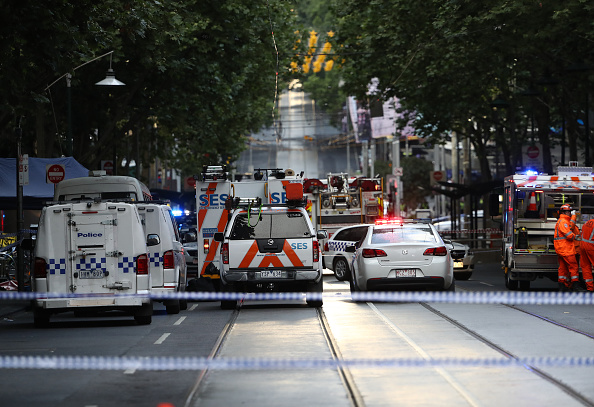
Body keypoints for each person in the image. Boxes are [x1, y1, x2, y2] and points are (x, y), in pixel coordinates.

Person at [554, 204, 584, 292]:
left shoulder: (563, 220)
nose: (570, 213)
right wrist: (577, 237)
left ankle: (563, 286)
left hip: (562, 248)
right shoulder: (563, 221)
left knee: (563, 268)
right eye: (569, 212)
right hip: (566, 249)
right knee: (573, 266)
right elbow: (569, 235)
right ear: (564, 212)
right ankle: (575, 285)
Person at [579, 217, 594, 292]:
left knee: (586, 267)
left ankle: (590, 288)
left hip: (583, 246)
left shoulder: (587, 222)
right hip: (592, 247)